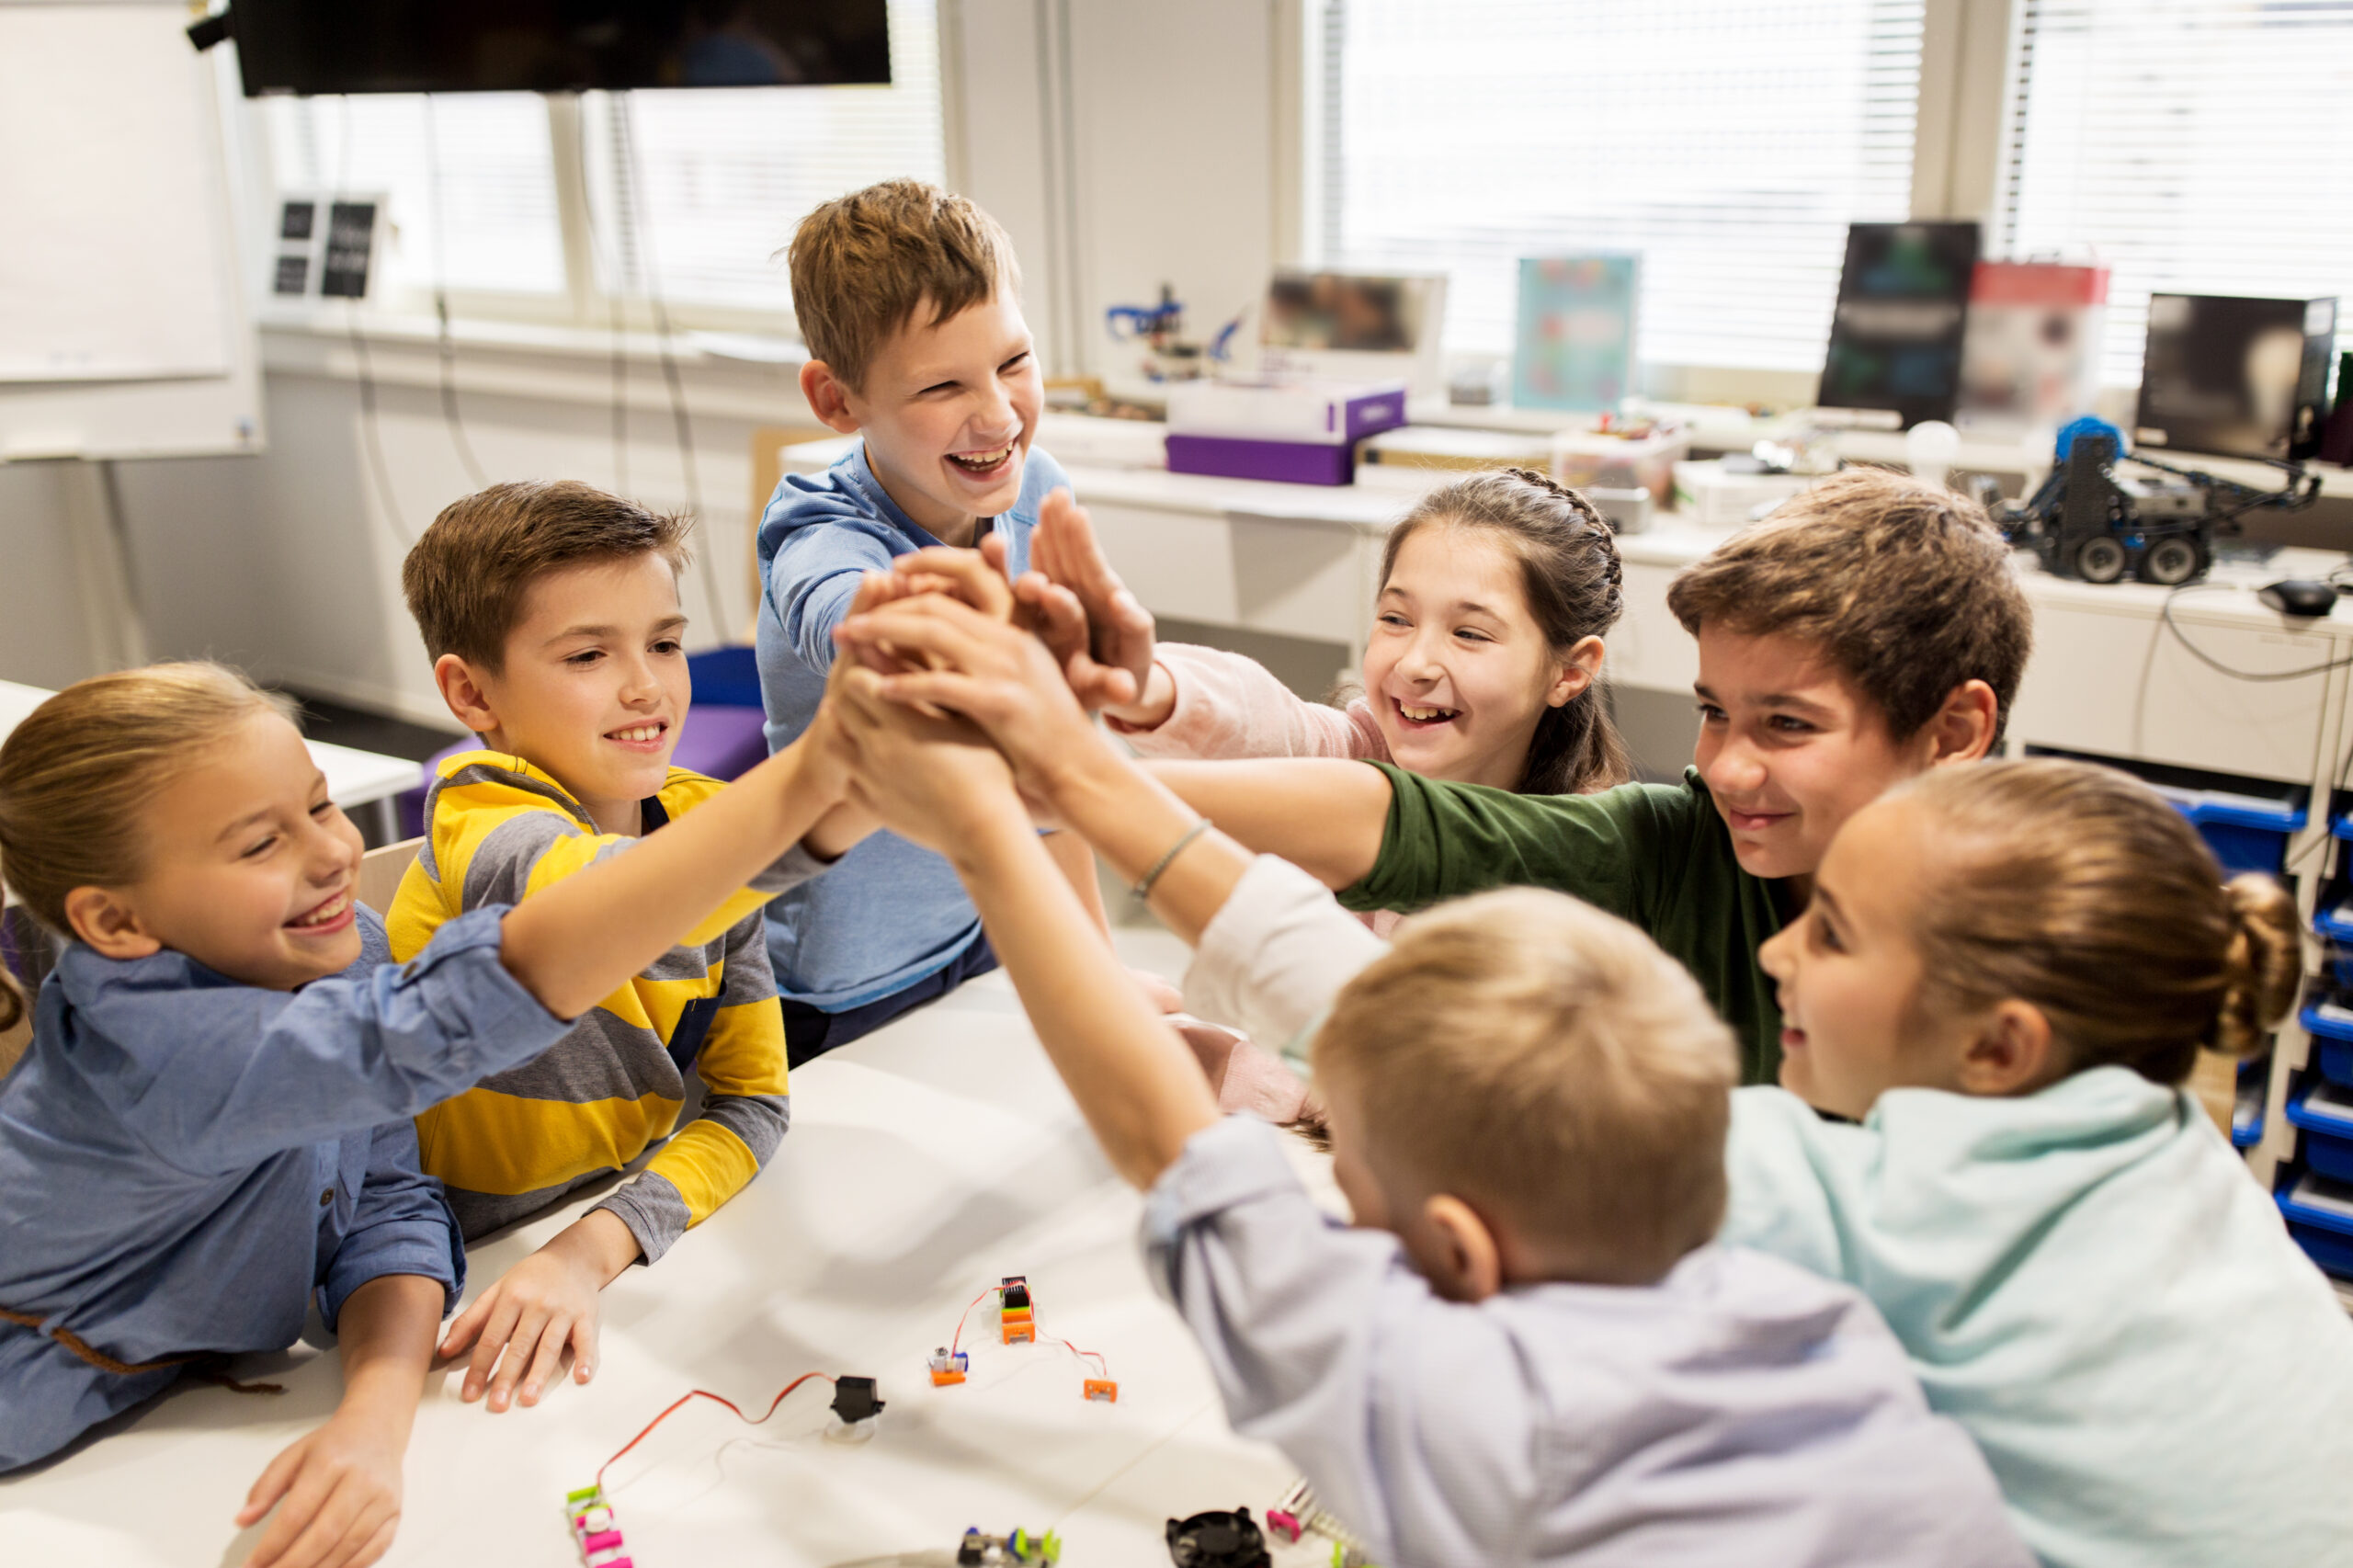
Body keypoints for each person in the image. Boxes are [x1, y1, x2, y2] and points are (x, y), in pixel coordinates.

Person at [833, 575, 2353, 1568]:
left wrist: (1012, 818)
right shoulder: (2157, 1149)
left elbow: (1264, 1095)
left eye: (1827, 931)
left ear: (1996, 1042)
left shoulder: (1860, 1205)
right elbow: (1380, 975)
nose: (1773, 959)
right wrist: (1081, 772)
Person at [0, 660, 848, 1568]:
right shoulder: (159, 1059)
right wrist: (820, 786)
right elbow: (458, 1010)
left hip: (177, 1412)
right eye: (259, 845)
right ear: (115, 923)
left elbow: (387, 1205)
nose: (330, 853)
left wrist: (373, 1417)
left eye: (321, 806)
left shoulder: (343, 951)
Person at [1080, 467, 2034, 1087]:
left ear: (1953, 729)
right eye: (1712, 713)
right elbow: (1392, 817)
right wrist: (1073, 771)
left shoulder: (2042, 942)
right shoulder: (1674, 838)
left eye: (1785, 724)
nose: (1722, 765)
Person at [392, 480, 856, 1415]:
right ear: (471, 691)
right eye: (589, 654)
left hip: (589, 1245)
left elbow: (753, 1103)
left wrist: (593, 1245)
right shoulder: (479, 811)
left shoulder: (707, 825)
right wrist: (823, 794)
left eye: (665, 641)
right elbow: (605, 900)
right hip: (440, 1274)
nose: (646, 683)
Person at [753, 176, 1105, 1065]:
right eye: (943, 385)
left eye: (1014, 363)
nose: (998, 414)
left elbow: (1057, 778)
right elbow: (845, 617)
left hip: (992, 923)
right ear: (837, 402)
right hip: (849, 980)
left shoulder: (1040, 490)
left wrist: (1095, 966)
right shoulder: (818, 532)